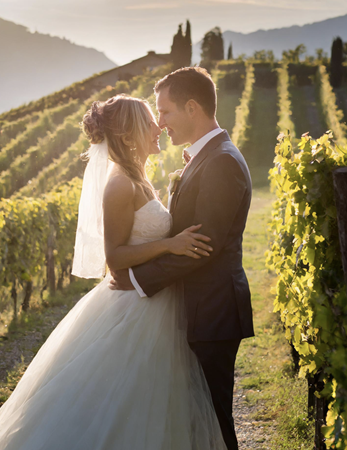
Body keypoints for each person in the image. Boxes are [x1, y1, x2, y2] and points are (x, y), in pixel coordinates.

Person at [0, 94, 227, 450]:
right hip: (134, 307)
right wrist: (169, 245)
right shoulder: (120, 184)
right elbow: (115, 256)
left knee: (151, 397)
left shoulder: (138, 176)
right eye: (150, 122)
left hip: (154, 301)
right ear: (126, 135)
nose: (159, 127)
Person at [110, 67, 254, 450]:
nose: (160, 122)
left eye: (166, 111)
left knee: (213, 417)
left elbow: (201, 246)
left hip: (213, 310)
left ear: (192, 108)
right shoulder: (206, 156)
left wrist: (138, 279)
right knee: (193, 414)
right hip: (197, 307)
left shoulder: (221, 160)